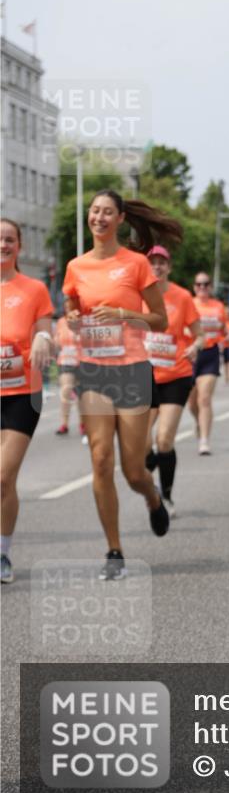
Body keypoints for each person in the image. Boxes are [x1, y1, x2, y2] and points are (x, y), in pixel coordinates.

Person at [62, 190, 181, 580]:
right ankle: (114, 550)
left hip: (131, 369)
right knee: (100, 459)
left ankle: (152, 498)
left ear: (120, 218)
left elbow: (161, 319)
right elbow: (72, 310)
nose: (99, 217)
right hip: (94, 370)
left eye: (107, 212)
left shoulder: (135, 264)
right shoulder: (75, 266)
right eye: (94, 211)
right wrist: (74, 320)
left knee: (132, 470)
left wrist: (124, 313)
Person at [1, 219, 54, 584]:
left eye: (9, 239)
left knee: (3, 476)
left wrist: (42, 340)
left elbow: (47, 329)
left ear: (19, 246)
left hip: (23, 393)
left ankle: (3, 553)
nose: (3, 244)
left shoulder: (33, 289)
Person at [144, 245, 203, 516]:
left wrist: (195, 346)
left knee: (164, 439)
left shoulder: (182, 296)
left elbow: (199, 333)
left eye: (161, 262)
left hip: (175, 375)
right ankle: (150, 482)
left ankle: (166, 495)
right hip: (143, 377)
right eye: (152, 262)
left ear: (169, 267)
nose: (157, 267)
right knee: (142, 445)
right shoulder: (137, 294)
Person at [188, 273, 226, 455]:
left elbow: (224, 329)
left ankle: (204, 440)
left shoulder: (218, 306)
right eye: (199, 284)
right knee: (192, 403)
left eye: (206, 284)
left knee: (204, 398)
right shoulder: (188, 304)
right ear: (194, 287)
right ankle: (198, 421)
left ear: (210, 286)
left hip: (210, 354)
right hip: (191, 355)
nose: (202, 287)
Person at [53, 314, 85, 440]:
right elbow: (56, 340)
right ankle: (64, 424)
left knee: (80, 395)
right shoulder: (61, 321)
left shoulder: (83, 320)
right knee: (65, 391)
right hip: (65, 361)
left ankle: (82, 423)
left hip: (81, 362)